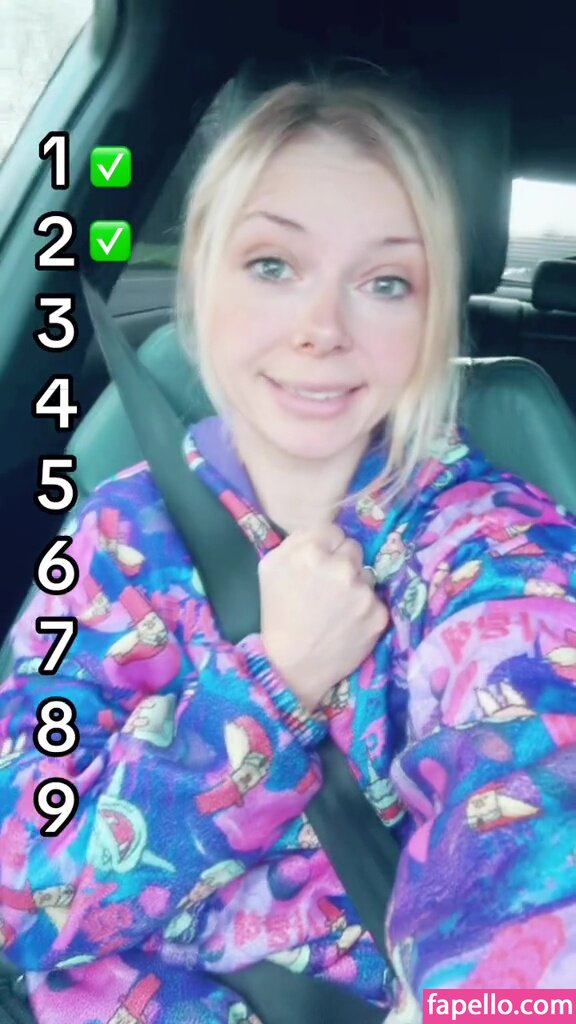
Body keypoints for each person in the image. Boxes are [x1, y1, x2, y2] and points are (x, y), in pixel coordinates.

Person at [1, 76, 576, 1024]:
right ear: (202, 280)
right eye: (273, 264)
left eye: (385, 283)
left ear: (431, 320)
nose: (322, 329)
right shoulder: (112, 540)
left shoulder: (490, 546)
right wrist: (274, 685)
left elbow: (540, 810)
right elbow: (21, 886)